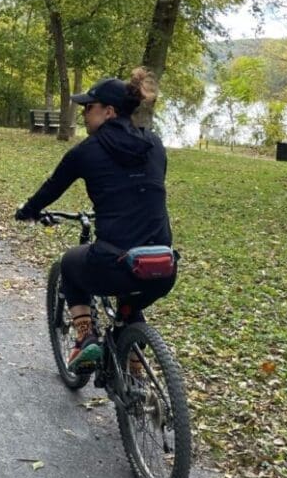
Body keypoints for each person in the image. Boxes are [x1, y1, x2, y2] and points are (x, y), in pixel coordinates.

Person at [15, 69, 177, 370]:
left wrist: (28, 211)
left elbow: (52, 188)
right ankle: (136, 375)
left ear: (109, 111)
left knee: (70, 265)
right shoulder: (154, 144)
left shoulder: (86, 151)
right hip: (163, 266)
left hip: (114, 263)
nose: (84, 113)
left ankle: (84, 340)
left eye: (89, 107)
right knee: (130, 305)